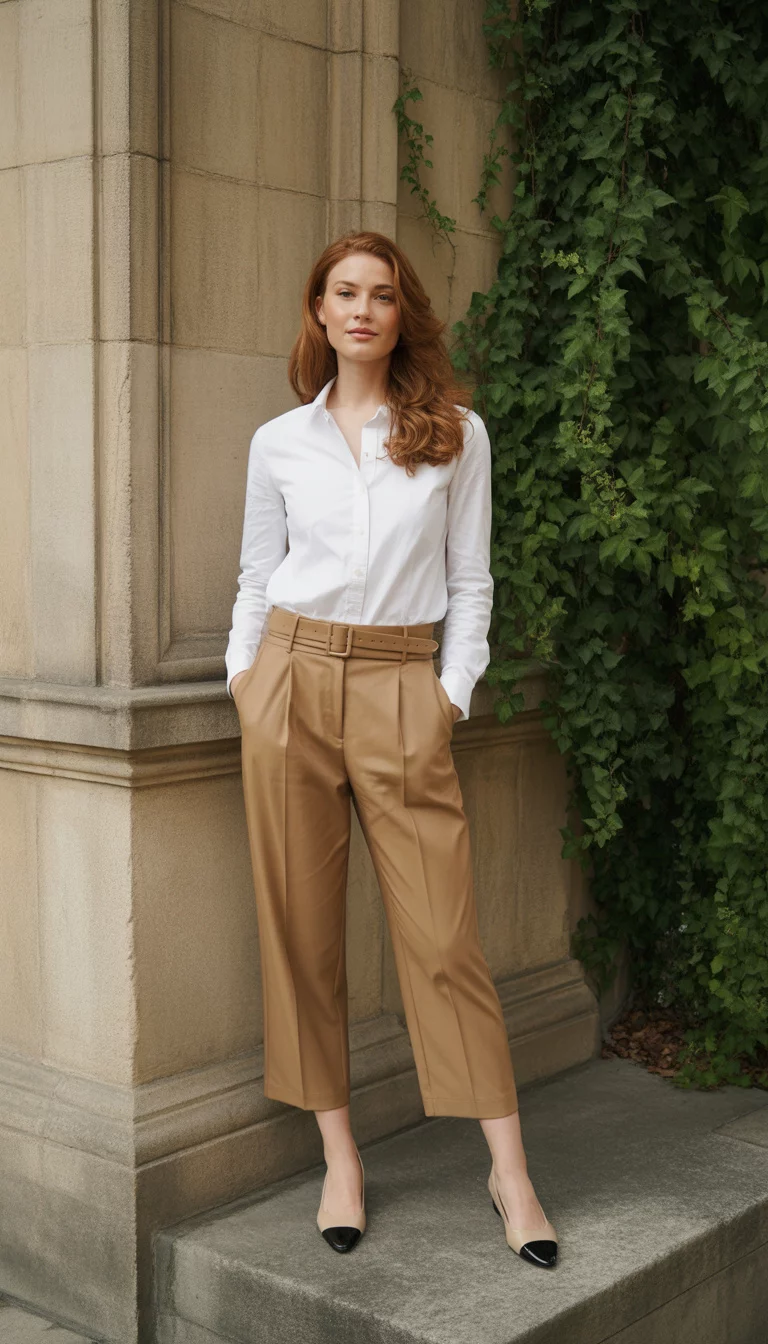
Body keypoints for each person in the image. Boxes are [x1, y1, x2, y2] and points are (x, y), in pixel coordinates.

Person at [224, 231, 558, 1268]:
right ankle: (342, 1160)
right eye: (343, 293)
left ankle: (510, 1173)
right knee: (303, 935)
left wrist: (447, 696)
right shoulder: (279, 442)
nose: (362, 309)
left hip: (401, 688)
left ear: (402, 312)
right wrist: (246, 685)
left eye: (380, 294)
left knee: (444, 939)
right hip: (289, 681)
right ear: (318, 313)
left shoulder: (456, 432)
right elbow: (253, 575)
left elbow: (471, 582)